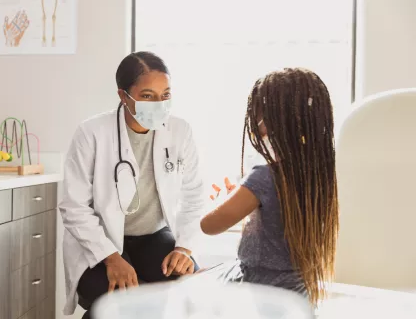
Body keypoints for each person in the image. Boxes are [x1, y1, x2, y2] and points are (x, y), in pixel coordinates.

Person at [59, 52, 206, 317]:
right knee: (115, 296)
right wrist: (112, 258)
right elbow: (73, 206)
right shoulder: (91, 133)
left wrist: (184, 247)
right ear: (123, 96)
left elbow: (194, 196)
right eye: (147, 96)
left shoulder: (180, 131)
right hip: (101, 240)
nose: (158, 104)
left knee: (188, 286)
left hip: (153, 236)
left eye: (165, 95)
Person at [200, 68, 339, 306]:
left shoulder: (265, 177)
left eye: (257, 115)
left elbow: (209, 225)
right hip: (298, 290)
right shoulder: (317, 176)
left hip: (258, 288)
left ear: (273, 121)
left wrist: (228, 199)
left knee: (188, 289)